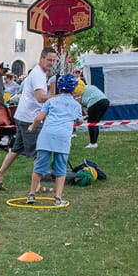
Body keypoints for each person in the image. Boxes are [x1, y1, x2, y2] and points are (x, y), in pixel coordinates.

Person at [0, 47, 58, 191]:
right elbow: (40, 98)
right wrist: (57, 97)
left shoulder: (40, 73)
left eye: (54, 60)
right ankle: (37, 186)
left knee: (16, 149)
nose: (51, 63)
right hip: (30, 119)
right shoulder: (38, 74)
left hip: (22, 116)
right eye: (49, 60)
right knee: (39, 152)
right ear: (41, 58)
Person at [26, 74, 83, 207]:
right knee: (61, 169)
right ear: (74, 89)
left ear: (59, 87)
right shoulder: (76, 105)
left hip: (46, 136)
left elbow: (39, 118)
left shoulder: (51, 101)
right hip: (63, 138)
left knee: (39, 167)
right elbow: (79, 121)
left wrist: (32, 126)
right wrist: (80, 120)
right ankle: (57, 198)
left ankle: (31, 195)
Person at [76, 82, 110, 149]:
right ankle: (94, 142)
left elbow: (80, 102)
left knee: (91, 123)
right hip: (106, 101)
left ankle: (93, 143)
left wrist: (85, 114)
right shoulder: (89, 87)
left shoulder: (78, 91)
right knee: (95, 123)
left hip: (95, 102)